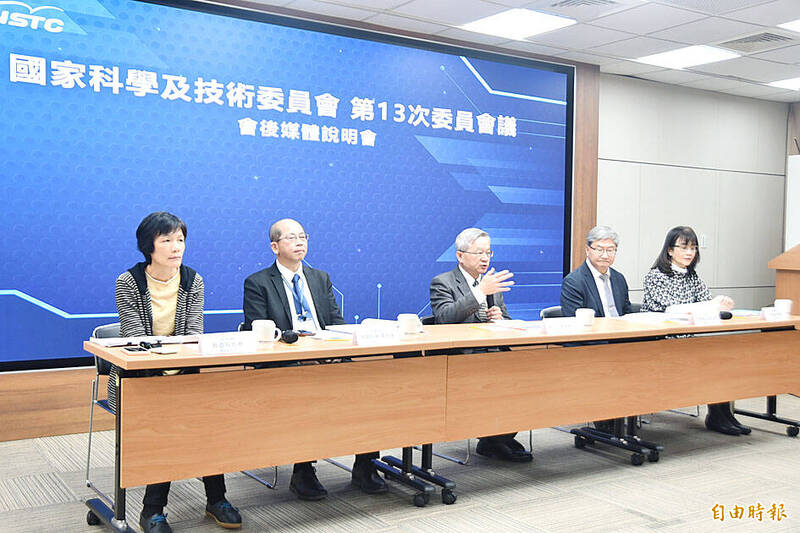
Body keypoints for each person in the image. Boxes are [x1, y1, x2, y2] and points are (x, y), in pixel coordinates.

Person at [110, 212, 241, 533]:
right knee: (167, 425)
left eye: (180, 240)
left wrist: (178, 356)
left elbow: (194, 334)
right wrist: (171, 351)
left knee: (209, 423)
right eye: (166, 240)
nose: (175, 247)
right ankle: (152, 511)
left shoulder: (193, 280)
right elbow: (136, 338)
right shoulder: (129, 282)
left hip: (185, 373)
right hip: (141, 379)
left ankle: (216, 499)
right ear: (149, 246)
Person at [242, 218, 387, 500]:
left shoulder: (320, 278)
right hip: (286, 363)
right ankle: (303, 469)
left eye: (303, 236)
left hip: (327, 357)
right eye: (291, 238)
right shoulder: (258, 282)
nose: (299, 242)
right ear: (274, 246)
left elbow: (336, 322)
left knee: (371, 384)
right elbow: (258, 331)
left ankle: (366, 463)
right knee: (304, 390)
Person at [429, 227, 532, 462]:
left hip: (495, 354)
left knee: (527, 375)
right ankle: (494, 439)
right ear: (460, 255)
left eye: (488, 253)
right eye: (479, 253)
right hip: (462, 358)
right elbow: (444, 318)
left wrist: (499, 318)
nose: (485, 258)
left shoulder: (489, 282)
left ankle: (498, 437)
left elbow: (505, 319)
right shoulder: (443, 282)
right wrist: (479, 294)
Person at [641, 225, 748, 436]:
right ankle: (717, 415)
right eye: (684, 247)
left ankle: (722, 414)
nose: (690, 253)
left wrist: (720, 303)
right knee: (708, 360)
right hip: (660, 344)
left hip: (687, 342)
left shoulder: (692, 276)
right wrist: (711, 305)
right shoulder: (655, 276)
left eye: (694, 248)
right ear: (670, 250)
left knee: (720, 358)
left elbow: (706, 302)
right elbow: (674, 309)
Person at [561, 225, 633, 318]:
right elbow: (574, 321)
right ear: (587, 250)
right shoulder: (573, 282)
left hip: (621, 330)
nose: (605, 255)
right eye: (600, 250)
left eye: (610, 250)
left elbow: (627, 314)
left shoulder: (619, 278)